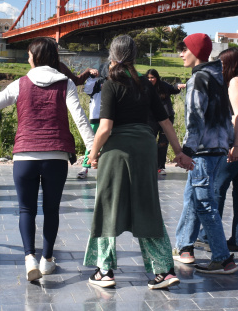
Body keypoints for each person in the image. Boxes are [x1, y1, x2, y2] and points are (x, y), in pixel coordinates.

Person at [0, 37, 95, 281]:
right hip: (56, 155)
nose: (27, 58)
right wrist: (93, 149)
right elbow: (80, 118)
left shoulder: (20, 84)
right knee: (51, 210)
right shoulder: (65, 83)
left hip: (25, 155)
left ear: (35, 58)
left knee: (26, 209)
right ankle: (47, 260)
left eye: (29, 55)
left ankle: (29, 258)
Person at [83, 35, 193, 290]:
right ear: (134, 56)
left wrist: (93, 154)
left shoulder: (110, 84)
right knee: (147, 206)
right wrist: (179, 152)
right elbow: (165, 121)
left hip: (116, 151)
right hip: (145, 148)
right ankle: (164, 271)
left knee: (108, 206)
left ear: (112, 56)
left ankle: (105, 271)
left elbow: (105, 128)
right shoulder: (145, 84)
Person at [173, 33, 238, 274]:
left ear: (196, 52)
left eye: (185, 49)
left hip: (203, 151)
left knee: (204, 204)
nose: (181, 54)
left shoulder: (198, 79)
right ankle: (185, 247)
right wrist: (229, 143)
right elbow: (227, 117)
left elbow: (195, 118)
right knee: (192, 198)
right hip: (217, 149)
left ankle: (223, 258)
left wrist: (186, 151)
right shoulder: (218, 78)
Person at [197, 48, 238, 254]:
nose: (219, 67)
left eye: (221, 63)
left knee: (217, 186)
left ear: (229, 64)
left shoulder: (236, 81)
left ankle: (208, 237)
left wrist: (236, 145)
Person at [146, 69, 181, 175]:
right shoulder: (145, 87)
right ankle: (149, 165)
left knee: (163, 143)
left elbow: (174, 89)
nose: (150, 80)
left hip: (166, 118)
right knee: (150, 142)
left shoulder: (163, 86)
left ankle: (160, 166)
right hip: (151, 118)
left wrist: (179, 85)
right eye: (148, 78)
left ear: (157, 78)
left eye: (152, 77)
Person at [78, 74, 104, 179]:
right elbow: (87, 89)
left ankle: (105, 168)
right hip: (96, 117)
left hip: (110, 118)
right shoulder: (96, 83)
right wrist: (93, 77)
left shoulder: (115, 82)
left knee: (109, 143)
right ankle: (85, 167)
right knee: (91, 142)